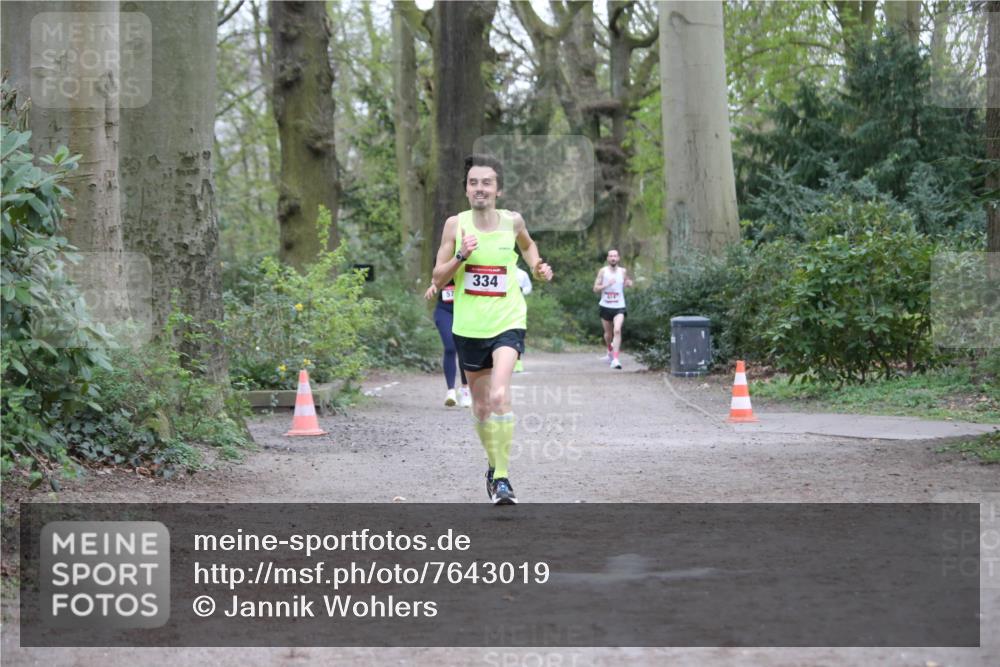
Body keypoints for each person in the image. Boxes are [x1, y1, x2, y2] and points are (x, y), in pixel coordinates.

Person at [431, 154, 553, 505]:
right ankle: (493, 463)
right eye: (473, 183)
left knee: (499, 397)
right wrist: (460, 257)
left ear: (498, 189)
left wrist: (538, 266)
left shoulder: (512, 222)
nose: (480, 188)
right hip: (469, 326)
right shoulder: (455, 226)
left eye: (487, 182)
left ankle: (502, 478)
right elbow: (437, 279)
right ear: (467, 190)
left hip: (508, 321)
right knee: (482, 409)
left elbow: (528, 246)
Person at [424, 280, 472, 407]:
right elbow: (438, 275)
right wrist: (435, 284)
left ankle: (465, 389)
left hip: (467, 309)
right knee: (450, 347)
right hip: (445, 310)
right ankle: (451, 391)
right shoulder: (443, 259)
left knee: (464, 348)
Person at [593, 249, 633, 369]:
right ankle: (609, 351)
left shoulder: (622, 271)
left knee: (617, 330)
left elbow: (627, 282)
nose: (613, 258)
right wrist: (606, 285)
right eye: (611, 256)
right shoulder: (603, 271)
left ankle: (615, 359)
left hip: (619, 306)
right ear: (608, 258)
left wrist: (629, 283)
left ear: (618, 258)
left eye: (615, 256)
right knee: (607, 335)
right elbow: (595, 288)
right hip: (605, 306)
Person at [514, 266, 532, 373]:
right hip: (500, 309)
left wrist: (521, 290)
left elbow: (528, 288)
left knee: (518, 335)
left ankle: (518, 362)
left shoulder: (522, 274)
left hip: (518, 308)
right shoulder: (499, 270)